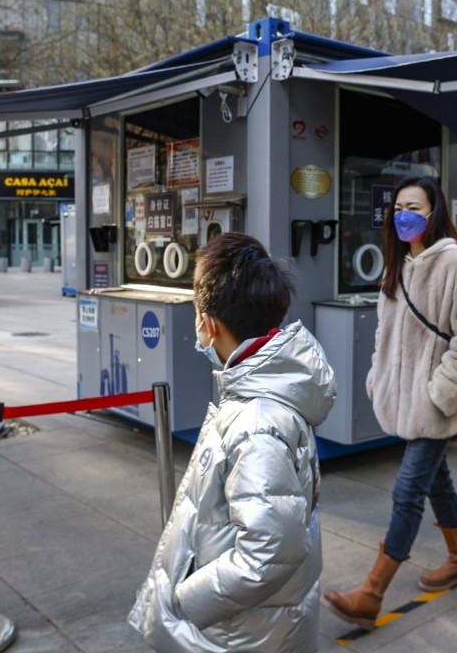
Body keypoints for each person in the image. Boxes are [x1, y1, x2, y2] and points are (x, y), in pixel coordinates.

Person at [128, 233, 337, 652]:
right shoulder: (260, 394)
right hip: (254, 625)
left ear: (211, 324)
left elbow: (268, 553)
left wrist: (184, 600)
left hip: (241, 634)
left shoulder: (257, 422)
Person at [322, 176, 457, 630]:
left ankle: (371, 593)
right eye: (398, 207)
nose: (404, 215)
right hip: (405, 399)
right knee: (437, 482)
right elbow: (384, 334)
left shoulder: (454, 263)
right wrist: (379, 379)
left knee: (407, 491)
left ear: (433, 213)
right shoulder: (396, 265)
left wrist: (442, 391)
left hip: (435, 402)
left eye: (414, 206)